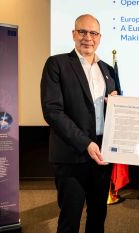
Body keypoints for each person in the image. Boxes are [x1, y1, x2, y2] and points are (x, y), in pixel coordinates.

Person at [40, 14, 119, 233]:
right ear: (74, 34)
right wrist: (85, 143)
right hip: (72, 155)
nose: (88, 38)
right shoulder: (57, 64)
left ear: (99, 37)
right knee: (69, 219)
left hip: (102, 154)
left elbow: (114, 110)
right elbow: (52, 112)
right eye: (82, 32)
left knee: (98, 216)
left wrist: (117, 105)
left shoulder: (108, 71)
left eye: (93, 33)